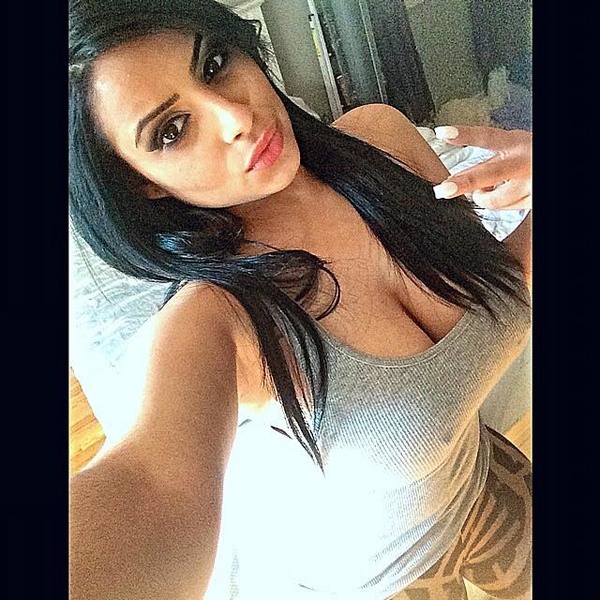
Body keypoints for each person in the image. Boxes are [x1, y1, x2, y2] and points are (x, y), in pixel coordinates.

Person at [68, 1, 532, 599]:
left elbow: (496, 288)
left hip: (474, 478)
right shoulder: (214, 319)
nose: (236, 116)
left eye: (213, 63)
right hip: (374, 580)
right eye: (171, 131)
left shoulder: (381, 139)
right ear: (141, 181)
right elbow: (153, 486)